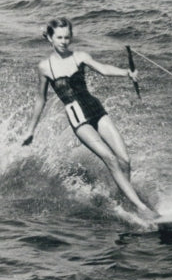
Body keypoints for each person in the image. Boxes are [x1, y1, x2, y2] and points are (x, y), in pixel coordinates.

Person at [22, 18, 158, 218]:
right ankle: (141, 208)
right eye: (59, 37)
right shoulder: (44, 67)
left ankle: (123, 199)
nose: (63, 41)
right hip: (78, 118)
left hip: (96, 109)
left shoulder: (80, 56)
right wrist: (30, 130)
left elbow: (103, 69)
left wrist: (126, 73)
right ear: (50, 38)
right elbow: (40, 100)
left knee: (125, 160)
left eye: (67, 37)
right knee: (110, 158)